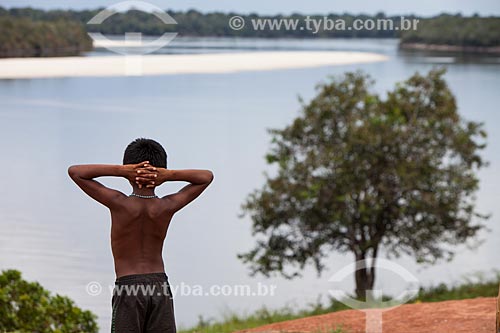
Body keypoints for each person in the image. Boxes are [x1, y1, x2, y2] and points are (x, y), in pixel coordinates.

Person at [68, 138, 213, 333]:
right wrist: (168, 175)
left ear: (129, 171)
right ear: (160, 172)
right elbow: (206, 177)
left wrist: (121, 171)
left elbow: (75, 172)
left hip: (129, 288)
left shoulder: (119, 203)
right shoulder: (165, 206)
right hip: (159, 285)